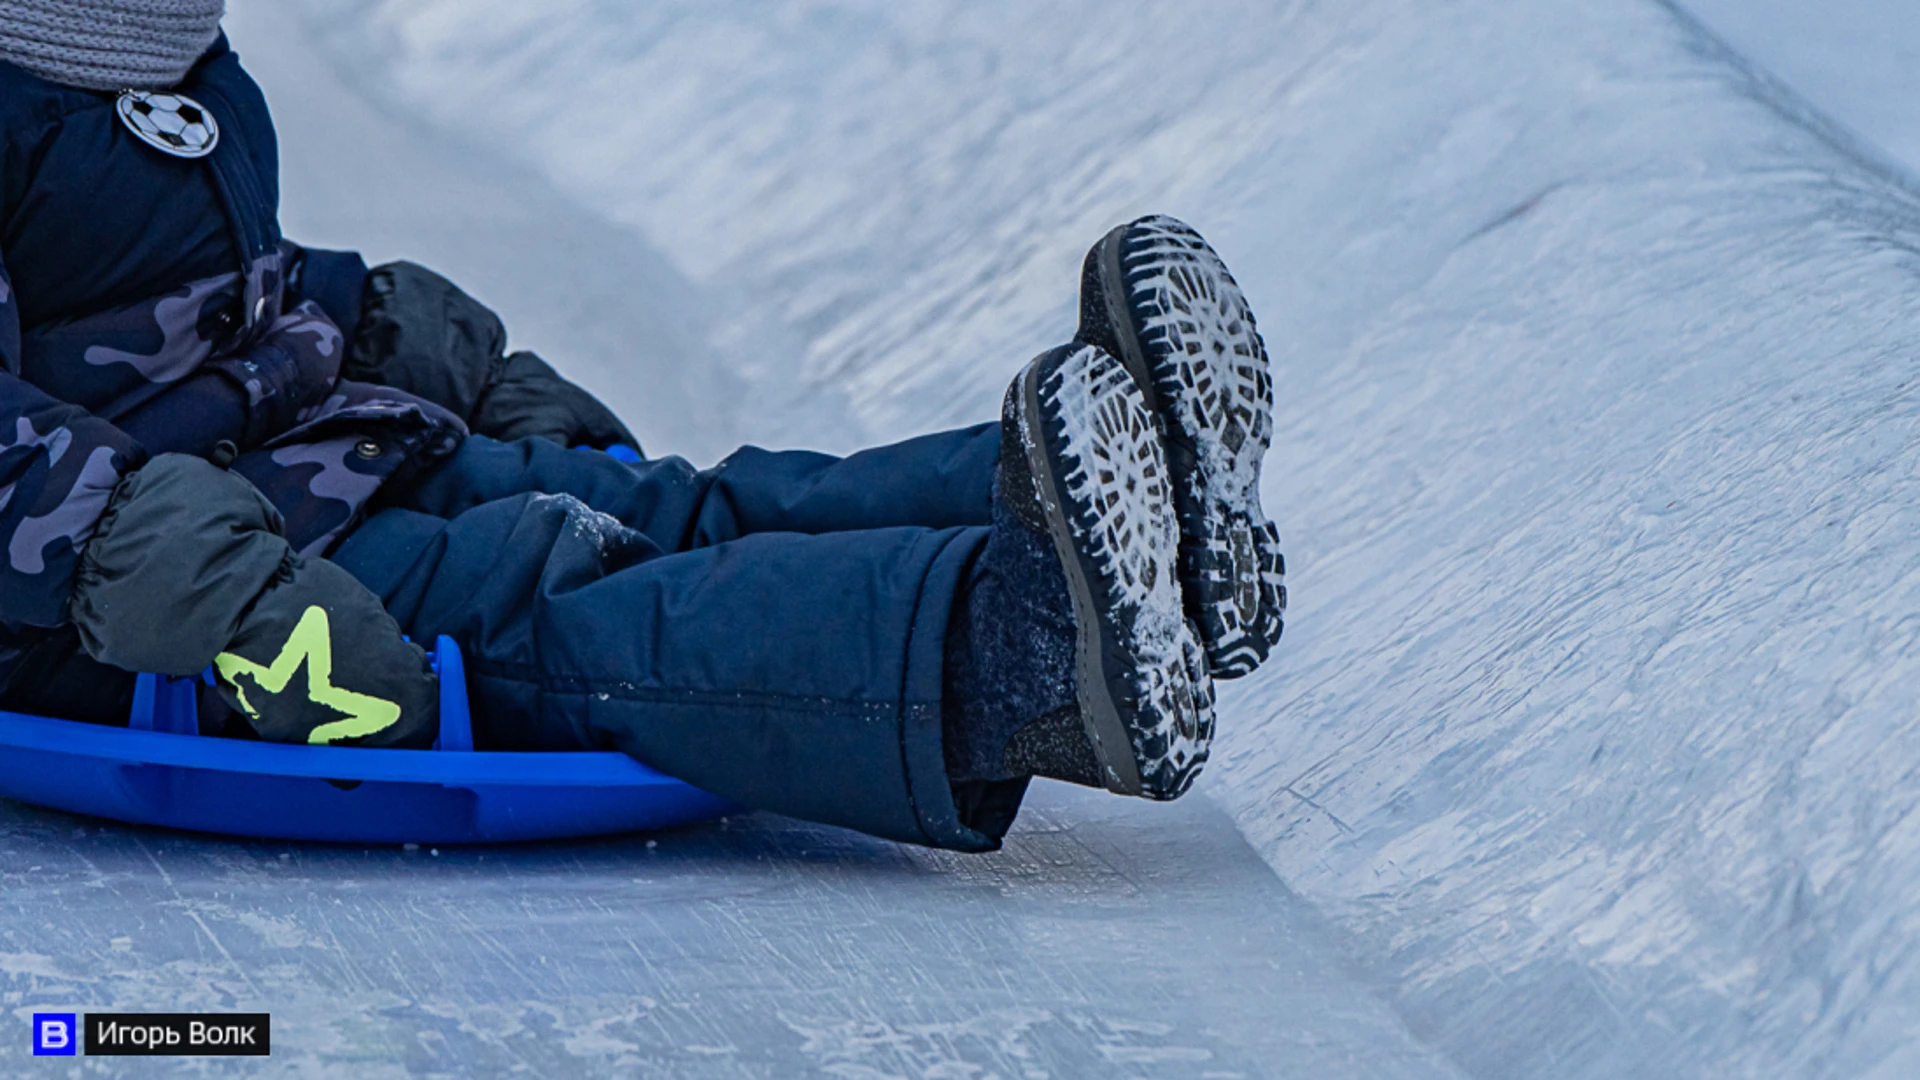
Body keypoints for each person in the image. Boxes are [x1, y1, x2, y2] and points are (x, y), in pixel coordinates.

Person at [0, 1, 1284, 851]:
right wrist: (218, 592)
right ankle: (1021, 655)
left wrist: (436, 348)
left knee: (646, 504)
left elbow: (222, 295)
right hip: (119, 601)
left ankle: (1093, 500)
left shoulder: (141, 42)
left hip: (285, 463)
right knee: (552, 594)